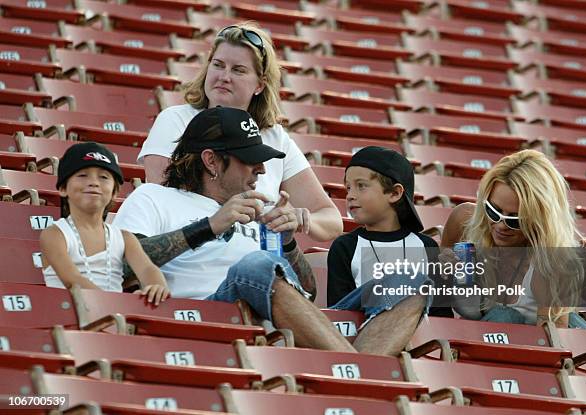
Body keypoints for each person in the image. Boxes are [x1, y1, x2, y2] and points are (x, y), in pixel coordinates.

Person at [113, 107, 356, 352]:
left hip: (263, 332)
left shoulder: (257, 211)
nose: (261, 169)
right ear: (211, 161)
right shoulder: (152, 197)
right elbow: (117, 266)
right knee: (255, 265)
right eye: (250, 159)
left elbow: (307, 295)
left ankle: (372, 376)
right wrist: (209, 226)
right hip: (194, 320)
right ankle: (353, 368)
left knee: (392, 287)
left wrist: (288, 243)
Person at [138, 22, 341, 242]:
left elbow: (331, 220)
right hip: (192, 252)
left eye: (238, 70)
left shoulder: (275, 138)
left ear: (260, 85)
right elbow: (160, 198)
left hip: (256, 255)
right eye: (218, 65)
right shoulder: (176, 120)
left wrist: (299, 218)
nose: (224, 76)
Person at [441, 149, 586, 328]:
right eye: (493, 210)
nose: (500, 225)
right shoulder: (464, 222)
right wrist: (446, 275)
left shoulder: (552, 264)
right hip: (483, 337)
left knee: (506, 317)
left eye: (515, 220)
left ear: (541, 220)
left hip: (536, 344)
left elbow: (554, 348)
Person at [326, 147, 449, 356]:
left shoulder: (426, 246)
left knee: (410, 282)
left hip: (414, 345)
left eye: (361, 186)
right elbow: (340, 318)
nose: (350, 196)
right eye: (348, 188)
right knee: (405, 281)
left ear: (394, 193)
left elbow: (440, 319)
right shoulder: (344, 246)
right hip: (358, 336)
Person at [40, 142, 170, 305]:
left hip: (114, 320)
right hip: (69, 319)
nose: (94, 182)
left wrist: (157, 286)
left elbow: (147, 268)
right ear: (63, 188)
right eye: (82, 175)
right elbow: (73, 279)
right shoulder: (55, 234)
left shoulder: (124, 238)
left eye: (103, 177)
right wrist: (114, 305)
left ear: (115, 192)